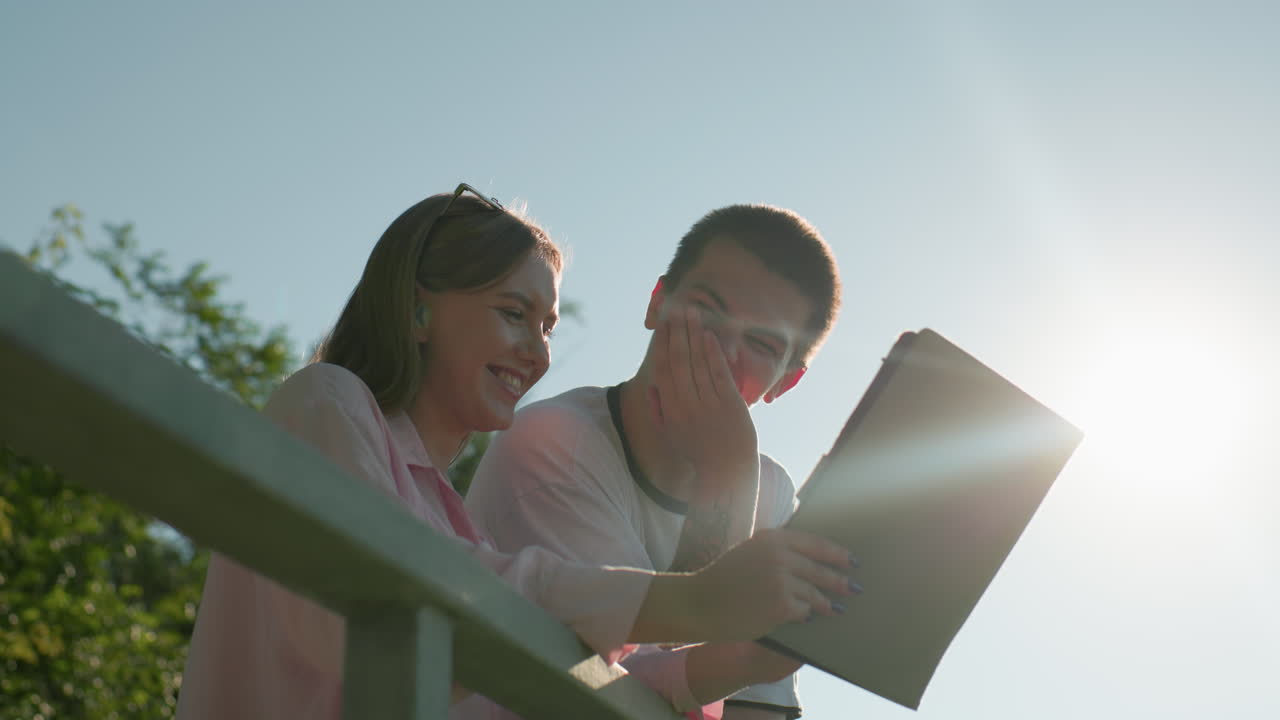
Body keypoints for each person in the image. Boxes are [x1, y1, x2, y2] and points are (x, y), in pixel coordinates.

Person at [176, 186, 858, 720]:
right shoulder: (328, 402)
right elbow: (426, 601)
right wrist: (704, 598)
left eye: (547, 325)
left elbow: (552, 673)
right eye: (512, 314)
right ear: (417, 311)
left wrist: (739, 657)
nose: (538, 352)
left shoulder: (445, 514)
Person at [464, 203, 846, 720]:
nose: (721, 349)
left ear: (786, 382)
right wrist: (724, 482)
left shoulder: (771, 493)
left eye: (759, 343)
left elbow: (755, 711)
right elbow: (641, 701)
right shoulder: (552, 446)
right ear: (657, 304)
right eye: (707, 312)